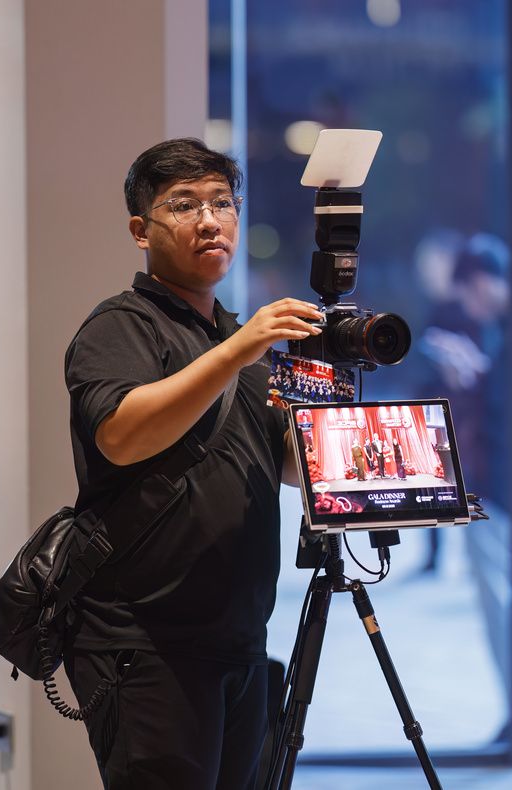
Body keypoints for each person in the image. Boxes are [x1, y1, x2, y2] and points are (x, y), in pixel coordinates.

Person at [62, 138, 321, 789]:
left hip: (240, 636)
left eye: (222, 203)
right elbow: (121, 435)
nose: (210, 220)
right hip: (145, 642)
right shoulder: (122, 325)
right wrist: (238, 351)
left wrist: (323, 399)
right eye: (183, 205)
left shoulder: (236, 337)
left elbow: (292, 468)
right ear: (139, 230)